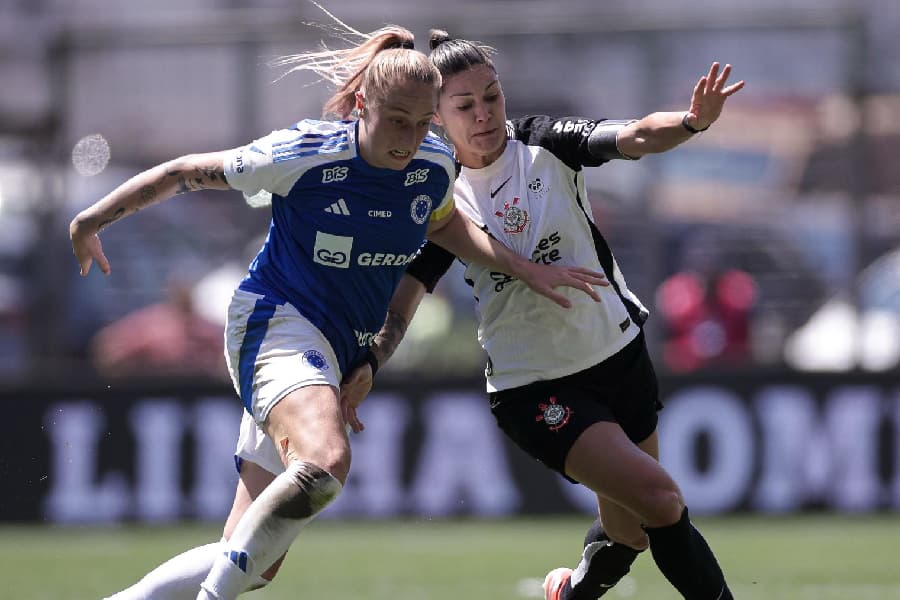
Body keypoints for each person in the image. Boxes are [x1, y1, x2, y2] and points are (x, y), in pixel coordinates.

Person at [69, 22, 606, 600]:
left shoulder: (432, 163)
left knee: (253, 558)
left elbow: (445, 223)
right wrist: (92, 219)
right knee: (326, 461)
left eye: (423, 122)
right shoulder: (303, 153)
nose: (410, 137)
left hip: (333, 350)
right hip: (275, 323)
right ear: (359, 106)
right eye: (396, 120)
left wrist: (522, 267)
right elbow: (183, 173)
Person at [340, 30, 745, 600]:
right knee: (661, 500)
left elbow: (631, 136)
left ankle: (568, 592)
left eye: (493, 96)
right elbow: (403, 304)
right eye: (465, 105)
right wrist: (373, 360)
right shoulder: (438, 193)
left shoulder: (543, 142)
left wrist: (691, 121)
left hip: (618, 353)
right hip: (536, 386)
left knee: (629, 533)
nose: (484, 115)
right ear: (436, 118)